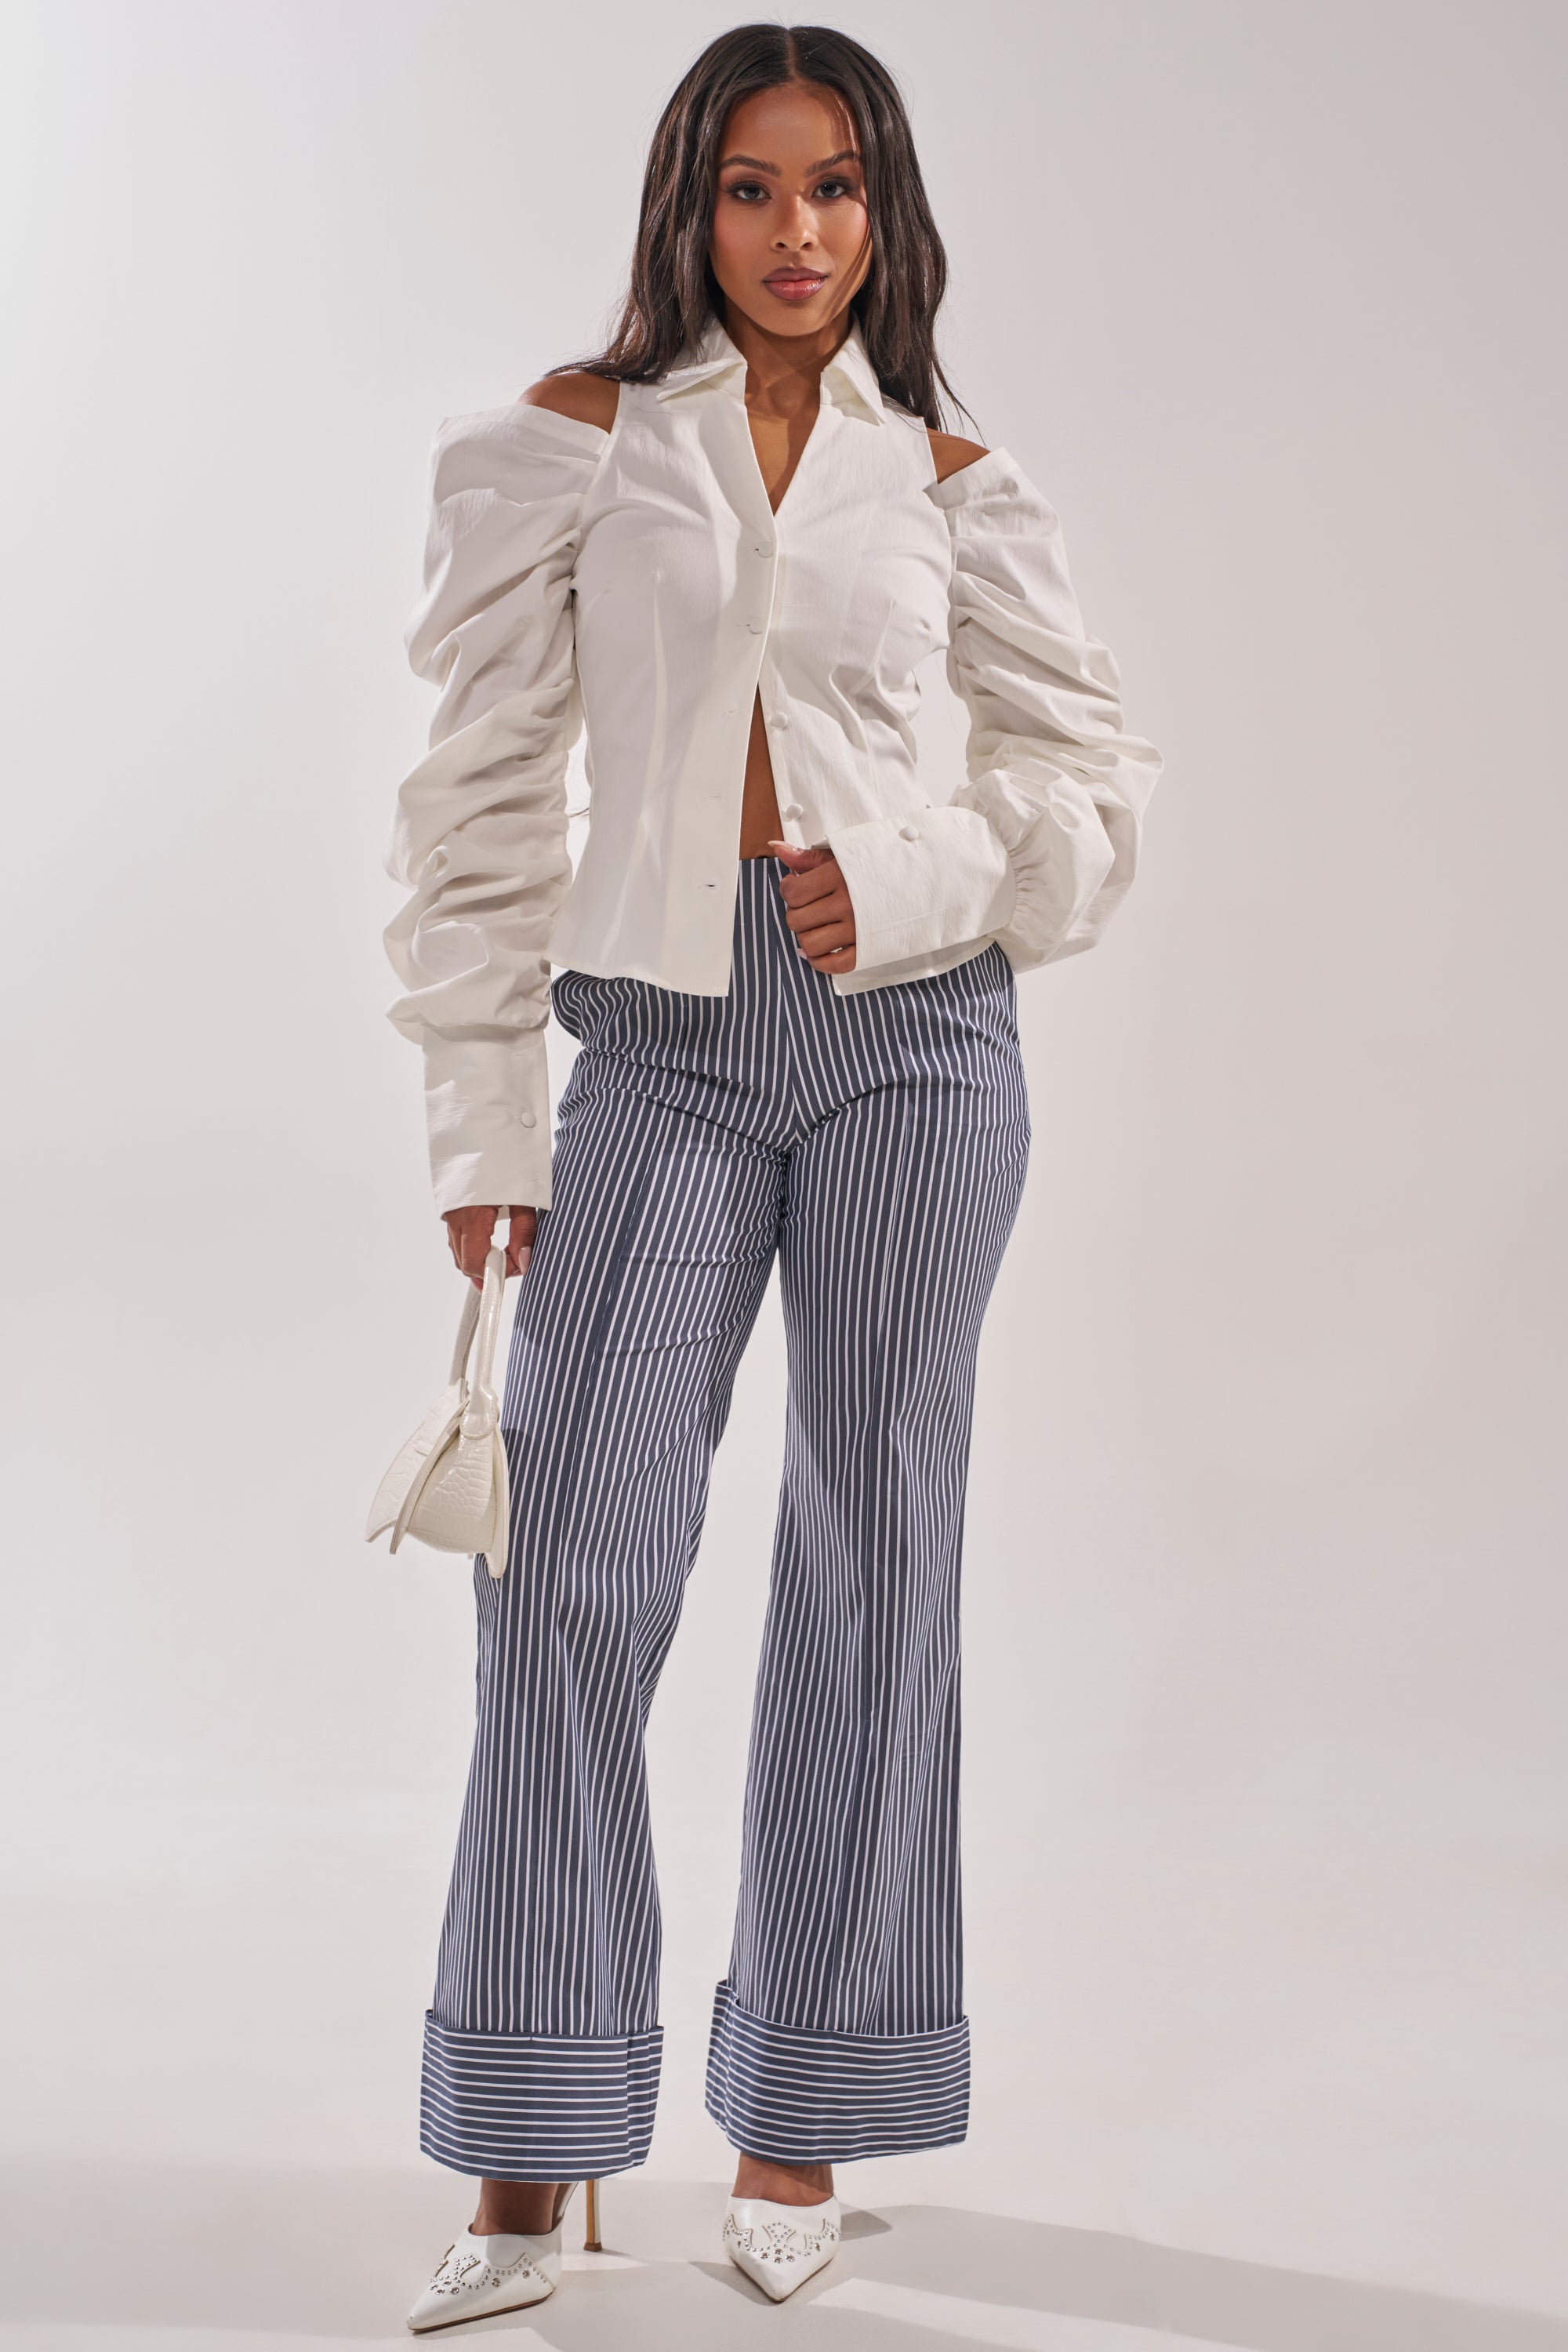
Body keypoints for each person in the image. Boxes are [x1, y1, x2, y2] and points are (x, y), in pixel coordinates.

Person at [383, 20, 1161, 2329]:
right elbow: (475, 795)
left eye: (836, 189)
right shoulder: (577, 450)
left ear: (886, 213)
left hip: (919, 1046)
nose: (797, 232)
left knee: (874, 1557)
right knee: (573, 1566)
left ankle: (800, 2112)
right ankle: (532, 2150)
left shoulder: (955, 478)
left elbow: (1100, 786)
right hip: (656, 1041)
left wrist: (918, 874)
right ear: (687, 209)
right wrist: (477, 1117)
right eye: (753, 187)